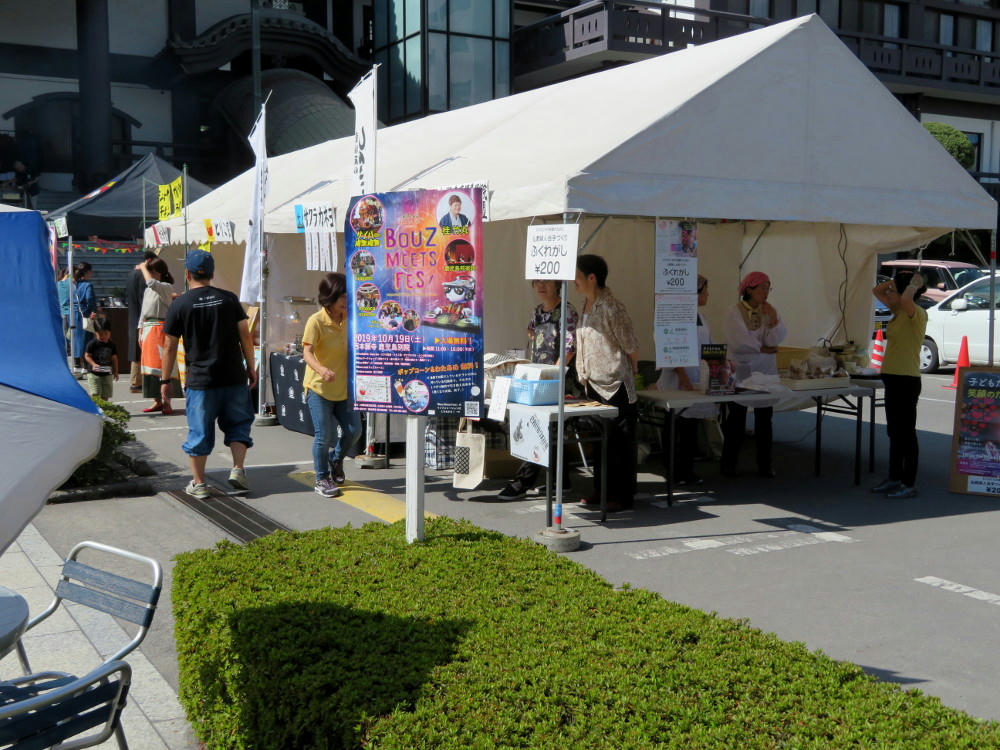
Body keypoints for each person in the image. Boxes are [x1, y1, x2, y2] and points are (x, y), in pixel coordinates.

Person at [161, 250, 256, 499]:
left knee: (199, 431)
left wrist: (164, 380)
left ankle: (199, 483)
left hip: (201, 380)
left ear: (187, 274)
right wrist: (251, 366)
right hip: (233, 376)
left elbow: (169, 346)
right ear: (212, 274)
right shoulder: (229, 299)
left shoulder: (180, 304)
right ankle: (238, 469)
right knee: (238, 425)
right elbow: (245, 335)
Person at [497, 279, 579, 500]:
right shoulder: (537, 311)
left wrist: (554, 374)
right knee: (549, 429)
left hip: (557, 381)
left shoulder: (566, 310)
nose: (541, 286)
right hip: (537, 379)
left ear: (557, 283)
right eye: (537, 282)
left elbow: (570, 347)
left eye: (546, 282)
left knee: (540, 428)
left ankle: (522, 481)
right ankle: (562, 481)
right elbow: (531, 332)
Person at [574, 254, 639, 512]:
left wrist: (633, 371)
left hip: (615, 383)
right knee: (601, 441)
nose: (574, 281)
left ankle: (621, 496)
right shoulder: (586, 305)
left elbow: (631, 345)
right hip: (592, 382)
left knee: (619, 442)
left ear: (592, 278)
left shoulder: (612, 307)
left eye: (577, 276)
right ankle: (601, 489)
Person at [301, 272, 362, 498]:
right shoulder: (316, 321)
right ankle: (322, 478)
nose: (346, 301)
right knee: (323, 436)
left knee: (354, 431)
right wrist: (321, 369)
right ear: (330, 297)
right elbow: (307, 352)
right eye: (342, 296)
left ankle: (336, 460)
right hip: (319, 388)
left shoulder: (351, 318)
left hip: (344, 388)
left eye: (348, 296)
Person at [721, 271, 787, 478]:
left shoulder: (768, 311)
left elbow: (775, 340)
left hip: (765, 371)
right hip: (741, 370)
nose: (766, 292)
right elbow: (739, 343)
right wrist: (764, 349)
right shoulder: (734, 311)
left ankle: (765, 464)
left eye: (768, 288)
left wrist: (773, 319)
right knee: (736, 419)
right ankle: (728, 464)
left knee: (765, 418)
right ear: (749, 289)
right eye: (762, 288)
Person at [654, 274, 716, 485]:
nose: (708, 295)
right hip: (677, 380)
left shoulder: (702, 317)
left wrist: (717, 368)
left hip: (697, 377)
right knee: (674, 424)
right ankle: (672, 470)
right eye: (705, 291)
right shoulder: (675, 314)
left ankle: (687, 470)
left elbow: (709, 346)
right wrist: (682, 375)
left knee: (690, 426)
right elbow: (669, 345)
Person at [871, 271, 928, 499]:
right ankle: (894, 477)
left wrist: (912, 284)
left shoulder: (916, 312)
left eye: (892, 291)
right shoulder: (897, 312)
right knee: (894, 432)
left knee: (906, 433)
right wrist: (895, 281)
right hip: (893, 377)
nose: (888, 293)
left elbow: (905, 299)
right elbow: (876, 290)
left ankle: (908, 482)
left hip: (907, 379)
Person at [137, 258, 181, 414]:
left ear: (158, 272)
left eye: (151, 270)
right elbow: (143, 311)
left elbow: (151, 283)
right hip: (148, 328)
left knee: (163, 367)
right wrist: (140, 329)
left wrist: (143, 267)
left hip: (161, 328)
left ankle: (166, 401)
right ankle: (157, 400)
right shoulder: (148, 290)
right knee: (150, 367)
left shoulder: (166, 287)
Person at [126, 251, 157, 393]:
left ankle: (135, 381)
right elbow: (144, 299)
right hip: (142, 316)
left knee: (135, 348)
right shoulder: (143, 276)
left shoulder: (131, 274)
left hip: (132, 313)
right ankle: (136, 381)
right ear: (149, 260)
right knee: (141, 348)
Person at [70, 261, 97, 374]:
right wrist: (93, 310)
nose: (92, 273)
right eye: (90, 271)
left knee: (76, 340)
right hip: (85, 315)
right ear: (87, 272)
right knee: (86, 340)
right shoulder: (87, 285)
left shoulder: (73, 284)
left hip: (74, 315)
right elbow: (89, 299)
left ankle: (76, 364)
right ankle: (86, 365)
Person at [83, 318, 118, 399]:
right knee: (95, 393)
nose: (103, 336)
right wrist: (93, 364)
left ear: (110, 332)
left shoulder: (111, 344)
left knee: (106, 395)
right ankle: (94, 404)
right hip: (94, 373)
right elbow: (87, 356)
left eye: (106, 333)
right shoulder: (92, 344)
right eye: (100, 334)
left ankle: (103, 406)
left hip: (107, 373)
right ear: (95, 333)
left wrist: (116, 371)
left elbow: (114, 358)